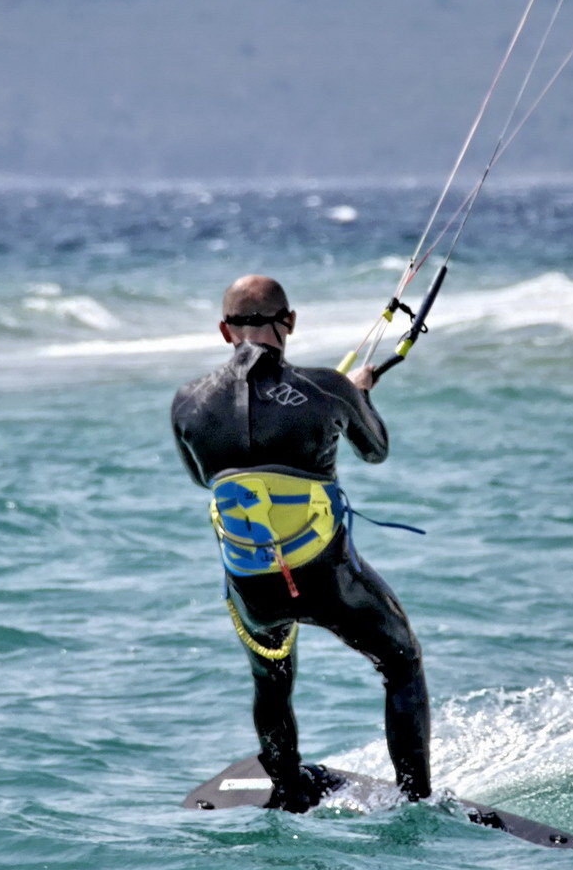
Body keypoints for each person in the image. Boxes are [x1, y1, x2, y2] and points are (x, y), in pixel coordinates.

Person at [171, 274, 431, 811]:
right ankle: (416, 801)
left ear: (224, 331)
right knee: (401, 661)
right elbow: (375, 450)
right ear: (290, 322)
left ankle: (288, 791)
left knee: (271, 680)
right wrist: (357, 395)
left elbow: (205, 479)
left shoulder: (186, 402)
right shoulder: (326, 389)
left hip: (254, 586)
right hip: (328, 579)